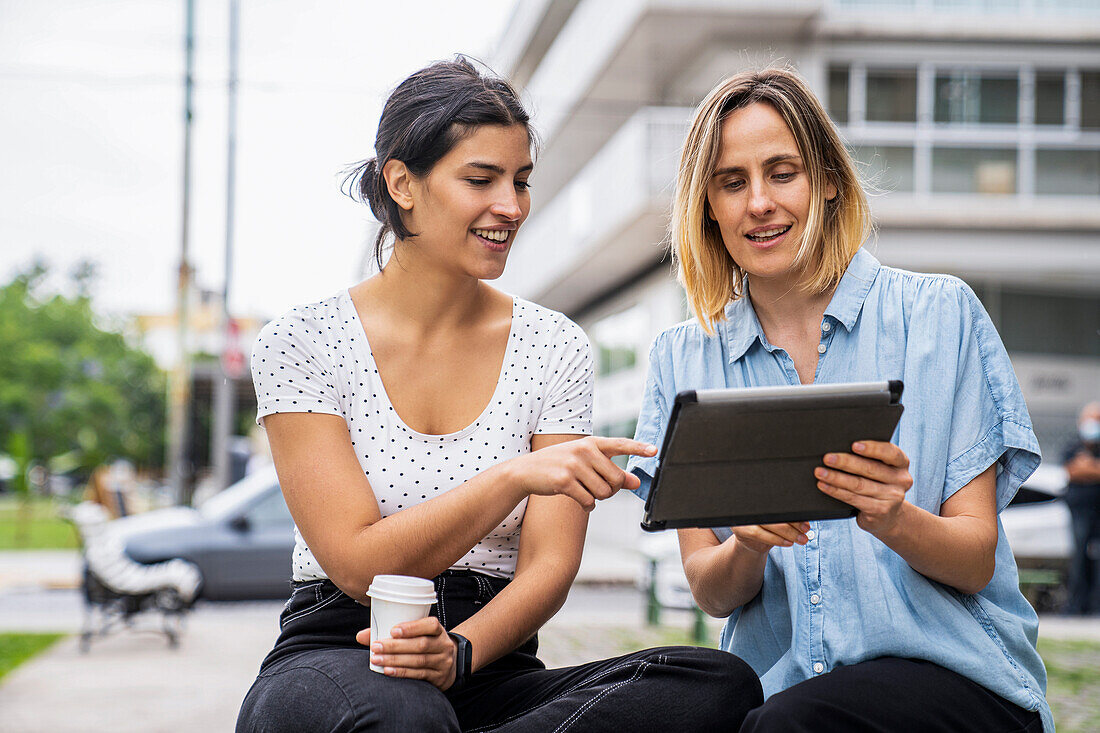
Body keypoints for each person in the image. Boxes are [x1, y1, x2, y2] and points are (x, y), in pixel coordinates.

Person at [235, 56, 762, 733]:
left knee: (715, 682)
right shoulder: (303, 341)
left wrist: (460, 652)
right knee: (405, 712)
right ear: (403, 182)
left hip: (490, 661)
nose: (511, 207)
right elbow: (358, 561)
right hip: (341, 646)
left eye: (521, 181)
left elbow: (550, 563)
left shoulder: (555, 346)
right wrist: (512, 475)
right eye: (481, 179)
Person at [627, 67, 1052, 732]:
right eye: (732, 182)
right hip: (788, 692)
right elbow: (711, 590)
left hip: (956, 678)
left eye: (782, 172)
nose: (759, 202)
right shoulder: (685, 358)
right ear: (707, 203)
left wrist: (892, 517)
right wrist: (747, 543)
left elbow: (974, 558)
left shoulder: (939, 316)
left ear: (827, 179)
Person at [1064, 401, 1100, 615]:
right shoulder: (1072, 445)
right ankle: (1076, 607)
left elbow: (1080, 471)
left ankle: (1096, 606)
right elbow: (1071, 471)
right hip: (1079, 512)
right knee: (1078, 560)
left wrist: (1086, 467)